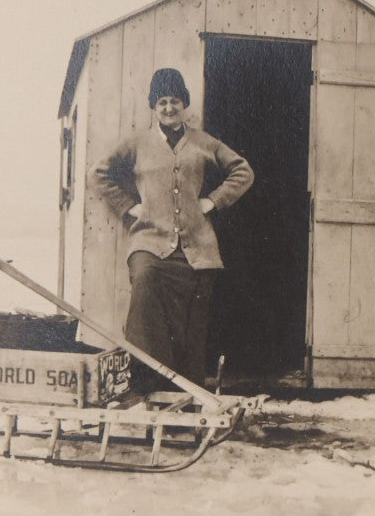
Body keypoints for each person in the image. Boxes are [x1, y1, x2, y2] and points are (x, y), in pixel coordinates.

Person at [91, 67, 254, 390]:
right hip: (150, 244)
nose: (169, 108)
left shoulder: (204, 142)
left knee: (193, 325)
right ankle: (148, 385)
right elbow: (100, 174)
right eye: (162, 101)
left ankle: (188, 393)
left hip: (197, 249)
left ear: (185, 104)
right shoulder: (137, 142)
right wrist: (129, 207)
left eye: (175, 101)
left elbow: (242, 171)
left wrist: (213, 202)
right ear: (153, 106)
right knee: (145, 287)